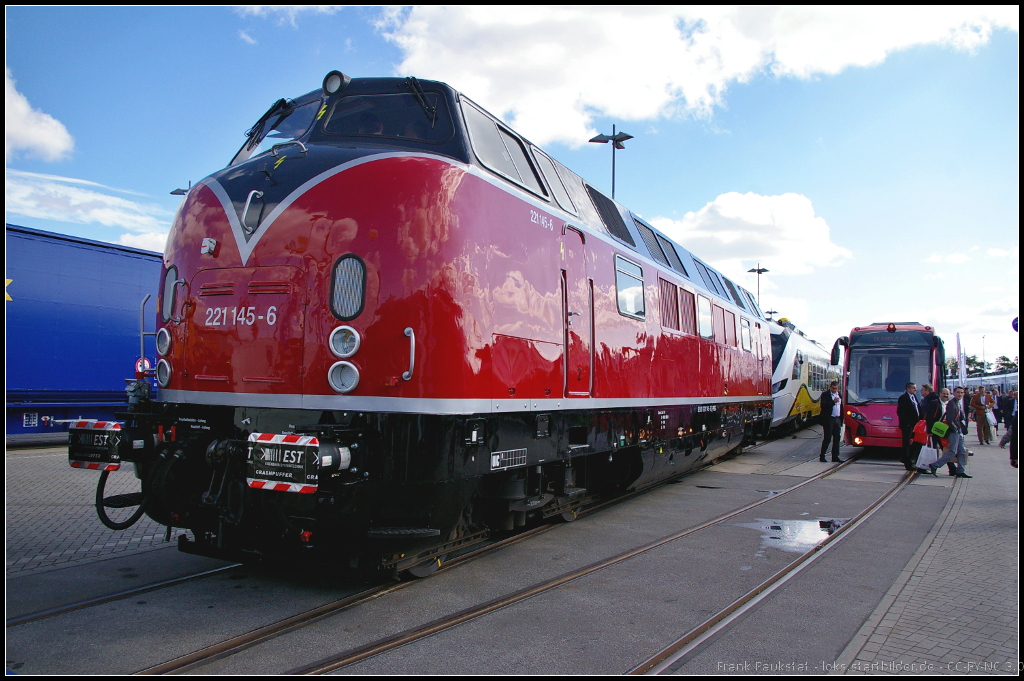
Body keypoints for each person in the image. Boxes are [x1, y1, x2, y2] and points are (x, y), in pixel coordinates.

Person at [927, 387, 971, 478]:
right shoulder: (951, 403)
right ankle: (935, 465)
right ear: (954, 393)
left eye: (962, 392)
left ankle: (960, 470)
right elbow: (950, 419)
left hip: (958, 430)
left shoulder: (957, 403)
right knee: (952, 451)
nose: (960, 394)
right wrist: (955, 429)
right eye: (958, 392)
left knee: (962, 451)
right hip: (954, 431)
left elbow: (960, 417)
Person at [896, 382, 922, 472]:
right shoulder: (903, 398)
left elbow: (916, 408)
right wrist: (907, 423)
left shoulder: (913, 397)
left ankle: (906, 457)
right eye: (913, 388)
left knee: (916, 441)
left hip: (915, 424)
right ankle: (907, 462)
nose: (915, 390)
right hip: (908, 425)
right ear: (908, 389)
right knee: (906, 442)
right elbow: (901, 412)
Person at [819, 380, 844, 463]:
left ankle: (835, 456)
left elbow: (841, 407)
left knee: (837, 438)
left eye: (836, 388)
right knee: (827, 438)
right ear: (830, 387)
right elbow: (823, 405)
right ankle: (822, 456)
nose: (834, 390)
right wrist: (833, 402)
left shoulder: (839, 395)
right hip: (829, 419)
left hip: (837, 419)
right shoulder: (825, 395)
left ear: (838, 388)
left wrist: (841, 419)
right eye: (833, 388)